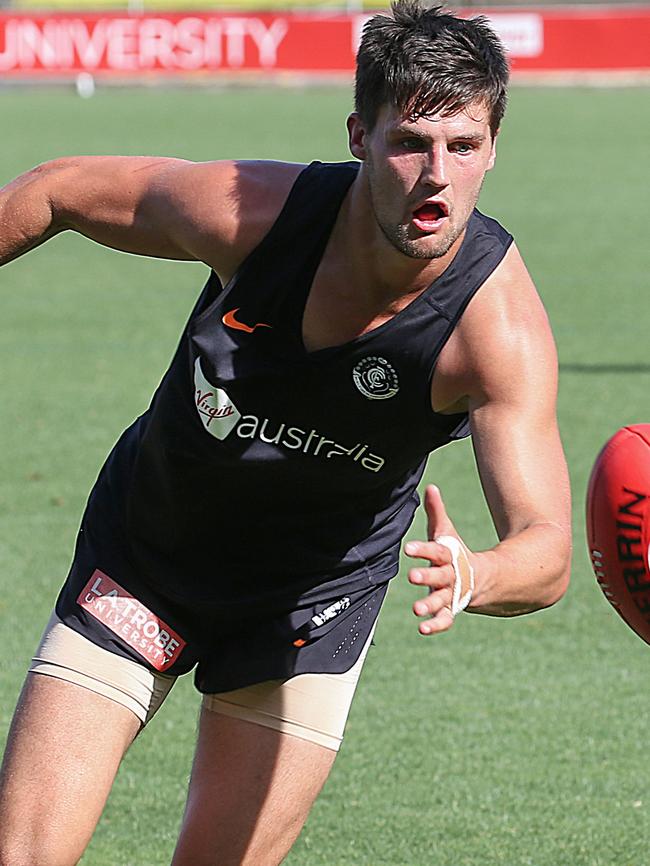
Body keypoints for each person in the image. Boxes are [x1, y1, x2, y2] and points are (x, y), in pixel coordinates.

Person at [0, 2, 572, 864]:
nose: (436, 176)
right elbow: (54, 191)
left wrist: (477, 574)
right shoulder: (252, 216)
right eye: (410, 142)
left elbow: (548, 550)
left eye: (464, 146)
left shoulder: (496, 335)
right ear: (358, 137)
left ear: (493, 147)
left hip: (310, 609)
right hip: (148, 556)